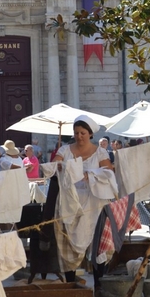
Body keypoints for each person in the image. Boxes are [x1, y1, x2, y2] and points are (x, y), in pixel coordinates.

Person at [51, 115, 115, 278]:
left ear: (90, 134)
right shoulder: (65, 150)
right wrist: (57, 166)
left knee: (97, 240)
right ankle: (71, 281)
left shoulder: (100, 152)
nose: (79, 136)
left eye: (82, 133)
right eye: (76, 132)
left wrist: (91, 174)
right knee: (68, 240)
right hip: (70, 201)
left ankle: (99, 282)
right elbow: (54, 166)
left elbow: (109, 172)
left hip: (94, 203)